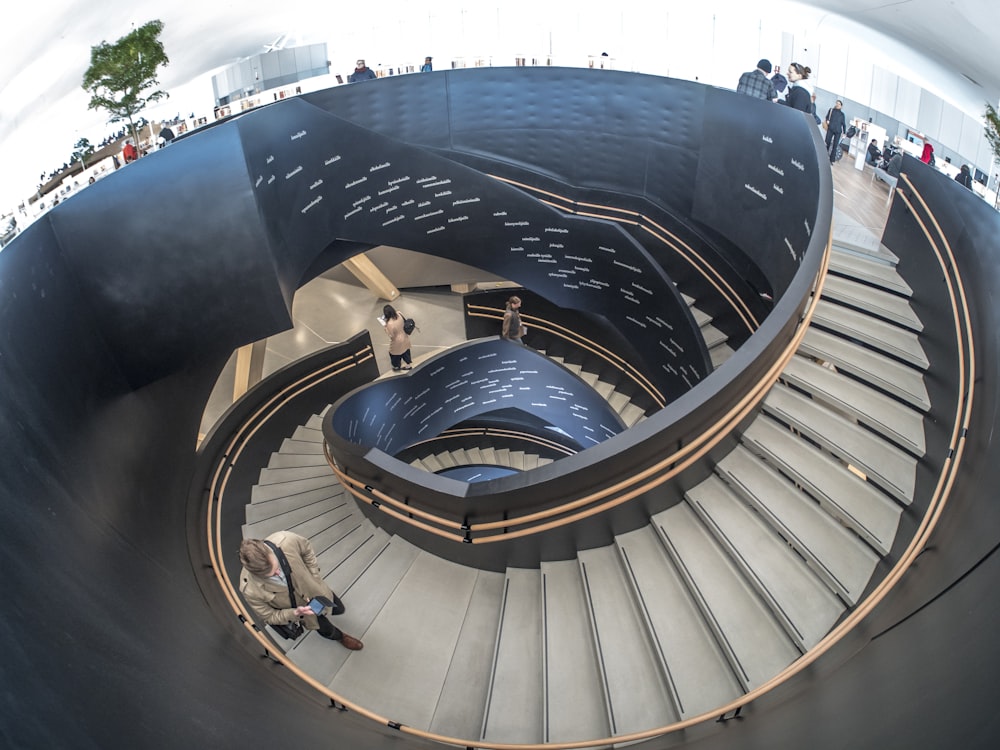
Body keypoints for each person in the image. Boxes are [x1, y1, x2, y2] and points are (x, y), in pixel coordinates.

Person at [238, 531, 363, 650]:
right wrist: (295, 613)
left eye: (277, 567)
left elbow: (307, 550)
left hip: (317, 591)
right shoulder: (250, 590)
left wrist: (315, 577)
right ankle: (340, 637)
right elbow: (269, 616)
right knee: (326, 629)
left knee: (338, 608)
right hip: (304, 614)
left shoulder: (286, 540)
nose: (278, 573)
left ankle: (331, 615)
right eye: (271, 575)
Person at [382, 304, 412, 370]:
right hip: (405, 337)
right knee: (406, 351)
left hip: (397, 341)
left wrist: (385, 327)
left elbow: (391, 335)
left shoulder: (389, 323)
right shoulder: (399, 313)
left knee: (394, 354)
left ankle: (396, 366)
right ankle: (408, 365)